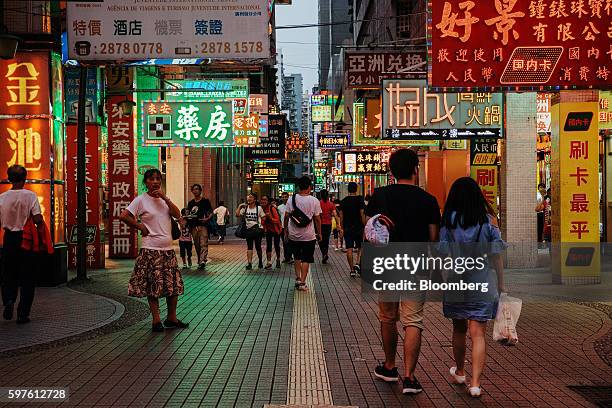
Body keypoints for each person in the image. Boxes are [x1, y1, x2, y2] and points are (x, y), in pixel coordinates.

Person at [366, 149, 440, 394]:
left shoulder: (379, 196)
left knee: (388, 317)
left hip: (386, 265)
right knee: (413, 321)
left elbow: (370, 229)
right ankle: (409, 377)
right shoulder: (428, 200)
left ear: (390, 171)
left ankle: (389, 366)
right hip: (415, 265)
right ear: (415, 170)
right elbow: (432, 239)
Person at [439, 177, 505, 398]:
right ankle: (475, 384)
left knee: (458, 329)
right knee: (478, 334)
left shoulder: (449, 221)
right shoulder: (488, 222)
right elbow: (496, 256)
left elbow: (442, 254)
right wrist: (501, 283)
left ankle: (460, 371)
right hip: (482, 280)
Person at [119, 168, 188, 332]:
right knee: (153, 286)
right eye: (151, 179)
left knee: (173, 286)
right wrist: (139, 226)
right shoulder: (140, 200)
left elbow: (177, 215)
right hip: (150, 249)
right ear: (146, 182)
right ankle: (156, 321)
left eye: (158, 178)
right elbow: (123, 216)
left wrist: (165, 197)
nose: (155, 181)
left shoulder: (164, 199)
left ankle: (171, 318)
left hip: (168, 249)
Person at [0, 165, 43, 324]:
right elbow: (38, 219)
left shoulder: (2, 198)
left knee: (8, 273)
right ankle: (23, 314)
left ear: (9, 179)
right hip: (26, 240)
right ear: (24, 179)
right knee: (27, 276)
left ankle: (9, 300)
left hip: (9, 239)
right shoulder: (30, 196)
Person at [284, 176, 321, 291]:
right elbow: (317, 219)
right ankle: (303, 282)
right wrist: (319, 232)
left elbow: (286, 217)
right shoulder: (314, 200)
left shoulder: (291, 199)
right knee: (306, 259)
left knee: (297, 257)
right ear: (309, 187)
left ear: (299, 187)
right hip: (308, 236)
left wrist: (285, 230)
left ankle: (298, 278)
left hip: (294, 235)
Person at [339, 182, 366, 277]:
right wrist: (365, 225)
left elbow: (341, 216)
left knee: (349, 248)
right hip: (359, 227)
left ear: (348, 190)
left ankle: (351, 270)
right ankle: (358, 263)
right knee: (361, 246)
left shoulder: (343, 201)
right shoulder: (360, 200)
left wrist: (341, 228)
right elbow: (362, 213)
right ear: (356, 189)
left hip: (347, 228)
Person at [236, 193, 265, 270]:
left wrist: (261, 227)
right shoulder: (245, 208)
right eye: (248, 197)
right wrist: (239, 206)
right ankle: (249, 263)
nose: (249, 198)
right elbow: (237, 214)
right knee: (249, 247)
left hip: (257, 230)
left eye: (251, 197)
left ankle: (260, 261)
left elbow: (264, 218)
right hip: (248, 230)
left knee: (258, 246)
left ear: (255, 199)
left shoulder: (259, 208)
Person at [187, 184, 213, 270]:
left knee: (203, 244)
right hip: (194, 227)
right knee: (197, 245)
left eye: (197, 189)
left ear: (200, 190)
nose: (195, 191)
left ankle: (202, 261)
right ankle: (200, 260)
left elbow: (211, 212)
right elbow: (188, 214)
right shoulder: (191, 203)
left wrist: (207, 219)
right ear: (192, 191)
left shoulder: (205, 201)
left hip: (203, 226)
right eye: (194, 189)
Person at [261, 195, 282, 269]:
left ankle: (278, 260)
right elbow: (261, 221)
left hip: (276, 229)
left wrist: (270, 218)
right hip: (268, 230)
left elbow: (277, 220)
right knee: (268, 245)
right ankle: (269, 262)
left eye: (265, 200)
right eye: (262, 199)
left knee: (276, 245)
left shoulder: (272, 208)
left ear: (268, 201)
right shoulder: (261, 209)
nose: (263, 201)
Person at [318, 189, 336, 264]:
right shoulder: (331, 204)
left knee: (320, 240)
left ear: (321, 195)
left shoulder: (318, 203)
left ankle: (324, 253)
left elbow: (316, 215)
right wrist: (338, 224)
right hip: (328, 224)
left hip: (320, 224)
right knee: (326, 240)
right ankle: (325, 253)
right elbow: (335, 214)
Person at [278, 192, 293, 263]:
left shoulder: (291, 206)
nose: (284, 198)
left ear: (288, 197)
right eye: (283, 197)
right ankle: (286, 257)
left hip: (290, 227)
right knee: (284, 242)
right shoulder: (279, 207)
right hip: (282, 227)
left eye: (286, 197)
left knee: (290, 243)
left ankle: (290, 257)